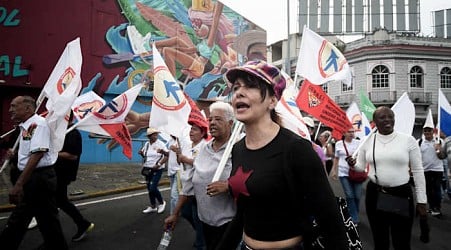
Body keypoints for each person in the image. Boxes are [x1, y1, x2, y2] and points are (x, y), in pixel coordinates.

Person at [218, 60, 348, 250]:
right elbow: (243, 212)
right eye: (236, 87)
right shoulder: (237, 149)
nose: (239, 92)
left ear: (272, 101)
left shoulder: (297, 149)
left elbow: (331, 223)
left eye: (251, 86)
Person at [350, 106, 427, 250]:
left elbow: (417, 170)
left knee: (402, 240)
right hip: (375, 194)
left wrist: (422, 200)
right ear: (374, 122)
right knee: (380, 239)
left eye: (390, 116)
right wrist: (353, 165)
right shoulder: (367, 141)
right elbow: (361, 167)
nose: (387, 120)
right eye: (382, 117)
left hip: (401, 194)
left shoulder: (408, 140)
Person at [164, 101, 236, 250]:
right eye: (210, 119)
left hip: (230, 224)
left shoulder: (238, 149)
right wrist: (175, 214)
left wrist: (229, 185)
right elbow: (189, 184)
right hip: (205, 222)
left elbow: (254, 181)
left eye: (218, 119)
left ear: (230, 123)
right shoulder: (204, 149)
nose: (213, 123)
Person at [0, 96, 68, 250]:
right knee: (46, 222)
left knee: (21, 219)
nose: (10, 110)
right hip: (35, 179)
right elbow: (29, 151)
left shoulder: (38, 124)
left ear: (27, 108)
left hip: (39, 179)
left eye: (14, 106)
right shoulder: (27, 127)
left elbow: (37, 155)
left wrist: (18, 184)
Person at [54, 112, 94, 242]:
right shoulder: (62, 132)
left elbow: (73, 155)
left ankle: (83, 224)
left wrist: (53, 153)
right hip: (55, 172)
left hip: (63, 173)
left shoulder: (73, 134)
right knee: (56, 201)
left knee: (61, 201)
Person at [171, 120, 209, 250]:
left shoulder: (205, 146)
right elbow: (182, 162)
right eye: (191, 129)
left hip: (197, 189)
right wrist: (178, 153)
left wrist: (184, 158)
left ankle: (201, 242)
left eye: (194, 129)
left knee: (196, 216)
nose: (191, 131)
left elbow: (201, 163)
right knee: (186, 213)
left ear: (202, 133)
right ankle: (203, 234)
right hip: (186, 185)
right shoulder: (189, 145)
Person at [331, 129, 363, 224]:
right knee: (349, 195)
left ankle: (354, 213)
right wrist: (333, 170)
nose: (351, 133)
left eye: (353, 131)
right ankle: (354, 217)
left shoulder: (359, 143)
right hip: (343, 172)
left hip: (356, 172)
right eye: (349, 131)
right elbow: (336, 158)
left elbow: (363, 156)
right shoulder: (339, 144)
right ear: (344, 133)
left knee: (357, 196)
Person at [139, 127, 168, 214]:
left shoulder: (160, 144)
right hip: (148, 169)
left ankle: (162, 202)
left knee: (153, 188)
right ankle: (153, 206)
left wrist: (158, 164)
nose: (156, 136)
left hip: (157, 169)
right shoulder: (147, 144)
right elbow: (146, 156)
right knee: (149, 188)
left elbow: (167, 155)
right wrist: (142, 154)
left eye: (156, 134)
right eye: (154, 134)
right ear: (149, 136)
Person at [167, 134, 183, 214]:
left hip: (179, 171)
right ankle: (178, 210)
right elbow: (168, 155)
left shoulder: (182, 140)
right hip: (171, 170)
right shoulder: (170, 140)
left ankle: (173, 214)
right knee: (175, 194)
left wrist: (177, 150)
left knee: (174, 195)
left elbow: (184, 154)